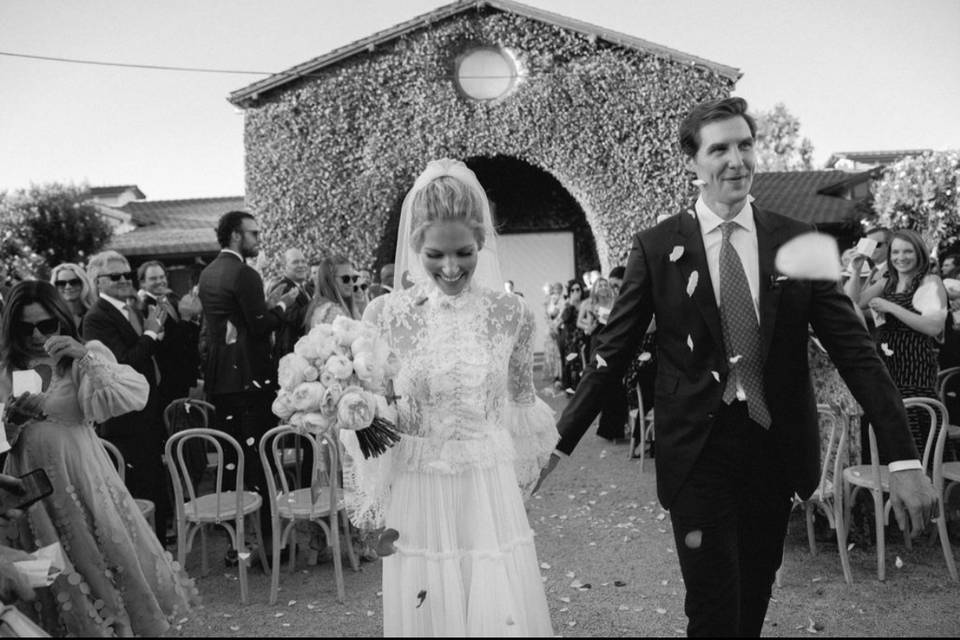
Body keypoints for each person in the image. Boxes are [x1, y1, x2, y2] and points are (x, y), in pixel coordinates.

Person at [536, 97, 937, 637]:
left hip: (774, 448)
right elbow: (612, 352)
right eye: (719, 148)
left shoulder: (798, 239)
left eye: (745, 145)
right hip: (696, 453)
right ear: (692, 163)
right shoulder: (657, 248)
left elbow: (856, 352)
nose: (737, 160)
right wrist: (556, 443)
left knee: (751, 599)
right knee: (712, 606)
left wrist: (904, 460)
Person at [342, 159, 556, 637]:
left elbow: (523, 406)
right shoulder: (384, 314)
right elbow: (374, 413)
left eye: (464, 251)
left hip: (486, 487)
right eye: (436, 254)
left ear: (481, 240)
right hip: (419, 489)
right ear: (416, 245)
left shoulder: (512, 314)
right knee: (428, 608)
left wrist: (519, 479)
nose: (452, 267)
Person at [0, 281, 196, 635]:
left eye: (46, 325)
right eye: (24, 327)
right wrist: (11, 425)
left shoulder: (82, 357)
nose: (35, 335)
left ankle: (120, 629)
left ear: (61, 318)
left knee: (105, 560)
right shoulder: (5, 370)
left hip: (83, 478)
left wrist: (85, 357)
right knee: (51, 572)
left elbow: (131, 396)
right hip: (30, 489)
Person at [198, 211, 298, 563]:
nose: (259, 239)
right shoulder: (244, 273)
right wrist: (284, 305)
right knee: (261, 460)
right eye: (253, 233)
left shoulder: (208, 273)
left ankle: (236, 544)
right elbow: (259, 326)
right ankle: (272, 547)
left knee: (230, 461)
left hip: (220, 381)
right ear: (236, 236)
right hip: (251, 381)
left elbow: (232, 323)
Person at [82, 250, 172, 541]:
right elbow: (121, 365)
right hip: (125, 421)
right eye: (115, 276)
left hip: (149, 411)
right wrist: (150, 334)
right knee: (139, 488)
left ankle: (160, 546)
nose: (124, 280)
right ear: (97, 282)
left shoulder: (130, 307)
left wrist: (153, 334)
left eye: (127, 275)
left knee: (155, 481)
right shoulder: (96, 318)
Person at [849, 229, 948, 454]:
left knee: (915, 429)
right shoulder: (888, 281)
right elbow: (852, 302)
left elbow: (933, 327)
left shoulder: (929, 281)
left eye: (907, 251)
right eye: (896, 252)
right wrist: (855, 272)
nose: (900, 257)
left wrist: (891, 307)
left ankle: (927, 481)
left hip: (915, 365)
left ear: (919, 253)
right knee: (892, 428)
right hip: (887, 362)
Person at [137, 260, 201, 408]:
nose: (159, 281)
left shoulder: (169, 299)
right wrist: (185, 319)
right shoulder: (145, 307)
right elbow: (168, 345)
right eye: (153, 279)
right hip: (167, 379)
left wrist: (194, 319)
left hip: (184, 375)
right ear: (142, 283)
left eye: (162, 277)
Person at [267, 248, 312, 365]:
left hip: (308, 353)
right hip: (290, 356)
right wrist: (317, 300)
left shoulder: (309, 289)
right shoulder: (280, 288)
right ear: (284, 267)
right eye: (295, 262)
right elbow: (295, 319)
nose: (301, 265)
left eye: (303, 261)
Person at [303, 254, 362, 328]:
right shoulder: (333, 312)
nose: (351, 283)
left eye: (354, 278)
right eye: (345, 278)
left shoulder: (323, 306)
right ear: (330, 280)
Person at [49, 263, 97, 332]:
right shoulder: (49, 317)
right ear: (55, 287)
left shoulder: (96, 315)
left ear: (83, 284)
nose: (68, 287)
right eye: (61, 283)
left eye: (74, 282)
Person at [556, 279, 585, 395]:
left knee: (583, 365)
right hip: (571, 340)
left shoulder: (586, 303)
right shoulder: (568, 306)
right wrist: (571, 305)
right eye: (572, 290)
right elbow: (562, 321)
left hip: (583, 338)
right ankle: (572, 390)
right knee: (572, 365)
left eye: (578, 289)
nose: (575, 292)